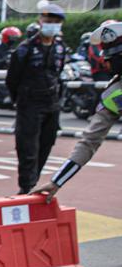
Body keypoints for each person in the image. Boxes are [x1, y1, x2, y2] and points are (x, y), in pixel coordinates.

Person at [36, 20, 122, 200]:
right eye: (108, 59)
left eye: (112, 59)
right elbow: (89, 141)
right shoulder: (114, 94)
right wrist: (56, 181)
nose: (107, 64)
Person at [7, 3, 67, 194]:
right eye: (48, 21)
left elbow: (57, 74)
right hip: (30, 105)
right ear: (40, 21)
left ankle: (33, 183)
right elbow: (12, 79)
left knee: (46, 146)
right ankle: (26, 189)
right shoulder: (25, 49)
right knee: (28, 150)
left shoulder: (60, 48)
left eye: (56, 22)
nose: (52, 25)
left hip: (51, 105)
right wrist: (21, 100)